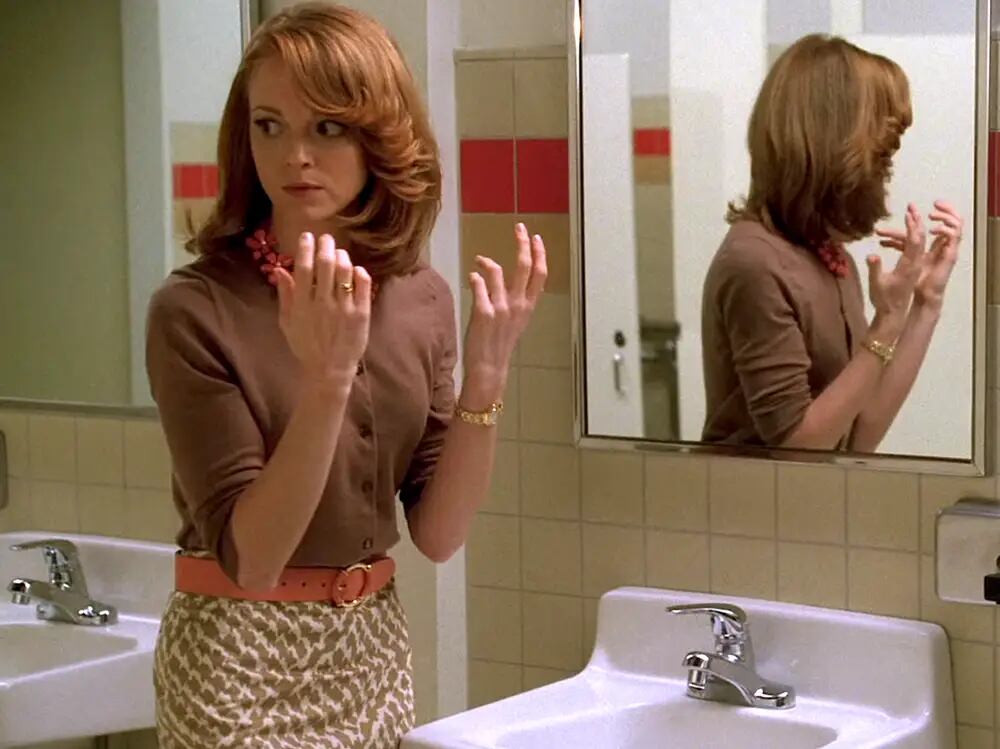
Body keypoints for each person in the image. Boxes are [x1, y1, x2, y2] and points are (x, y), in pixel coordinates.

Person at [145, 3, 547, 747]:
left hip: (371, 650)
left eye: (327, 127)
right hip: (237, 656)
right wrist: (327, 382)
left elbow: (438, 534)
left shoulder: (421, 298)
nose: (295, 155)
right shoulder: (195, 309)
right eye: (270, 126)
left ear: (379, 134)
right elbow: (254, 558)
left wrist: (487, 379)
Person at [700, 34, 962, 451]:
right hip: (749, 494)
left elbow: (857, 436)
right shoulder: (755, 262)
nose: (884, 171)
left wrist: (925, 304)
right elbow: (798, 449)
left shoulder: (830, 258)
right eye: (879, 155)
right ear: (831, 146)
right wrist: (886, 322)